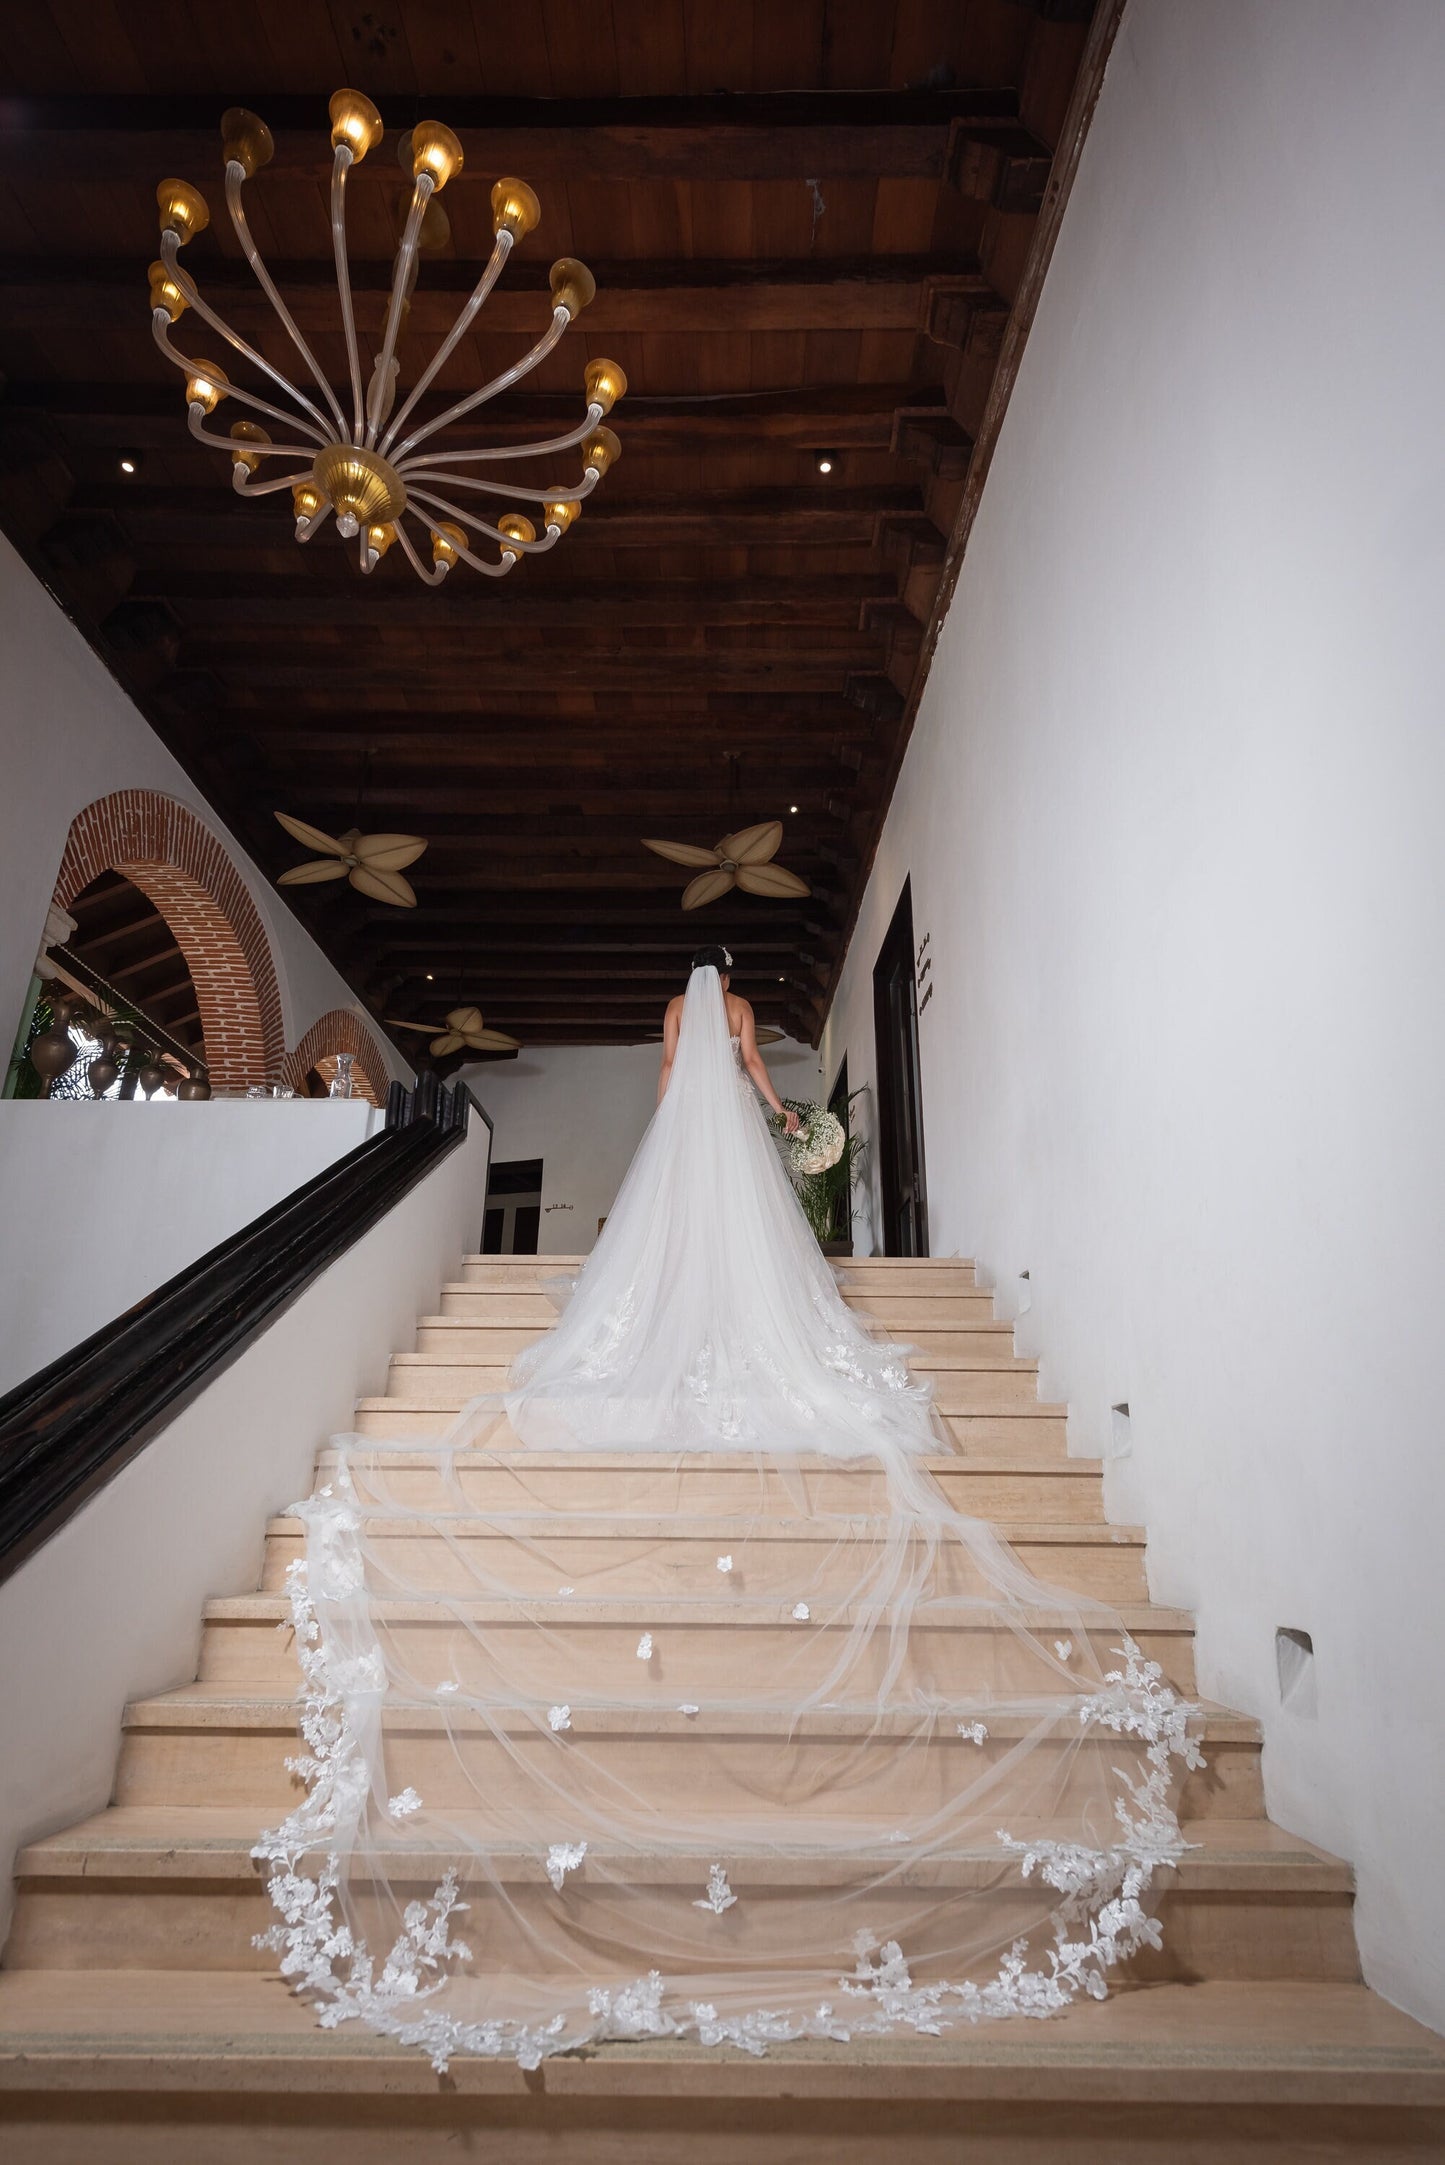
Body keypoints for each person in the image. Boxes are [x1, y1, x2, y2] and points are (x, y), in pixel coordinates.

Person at [255, 946, 1199, 2070]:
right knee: (756, 1274)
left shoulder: (669, 1009)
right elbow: (747, 1073)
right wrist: (775, 1117)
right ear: (729, 989)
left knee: (667, 1266)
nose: (712, 1009)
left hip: (683, 1145)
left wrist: (668, 1131)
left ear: (682, 993)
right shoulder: (745, 1009)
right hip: (731, 1144)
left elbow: (670, 1081)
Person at [658, 944, 801, 1134]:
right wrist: (779, 1108)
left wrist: (661, 1111)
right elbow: (751, 1061)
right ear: (724, 977)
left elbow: (669, 1063)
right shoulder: (741, 1007)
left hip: (689, 1098)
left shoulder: (675, 1006)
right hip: (731, 1100)